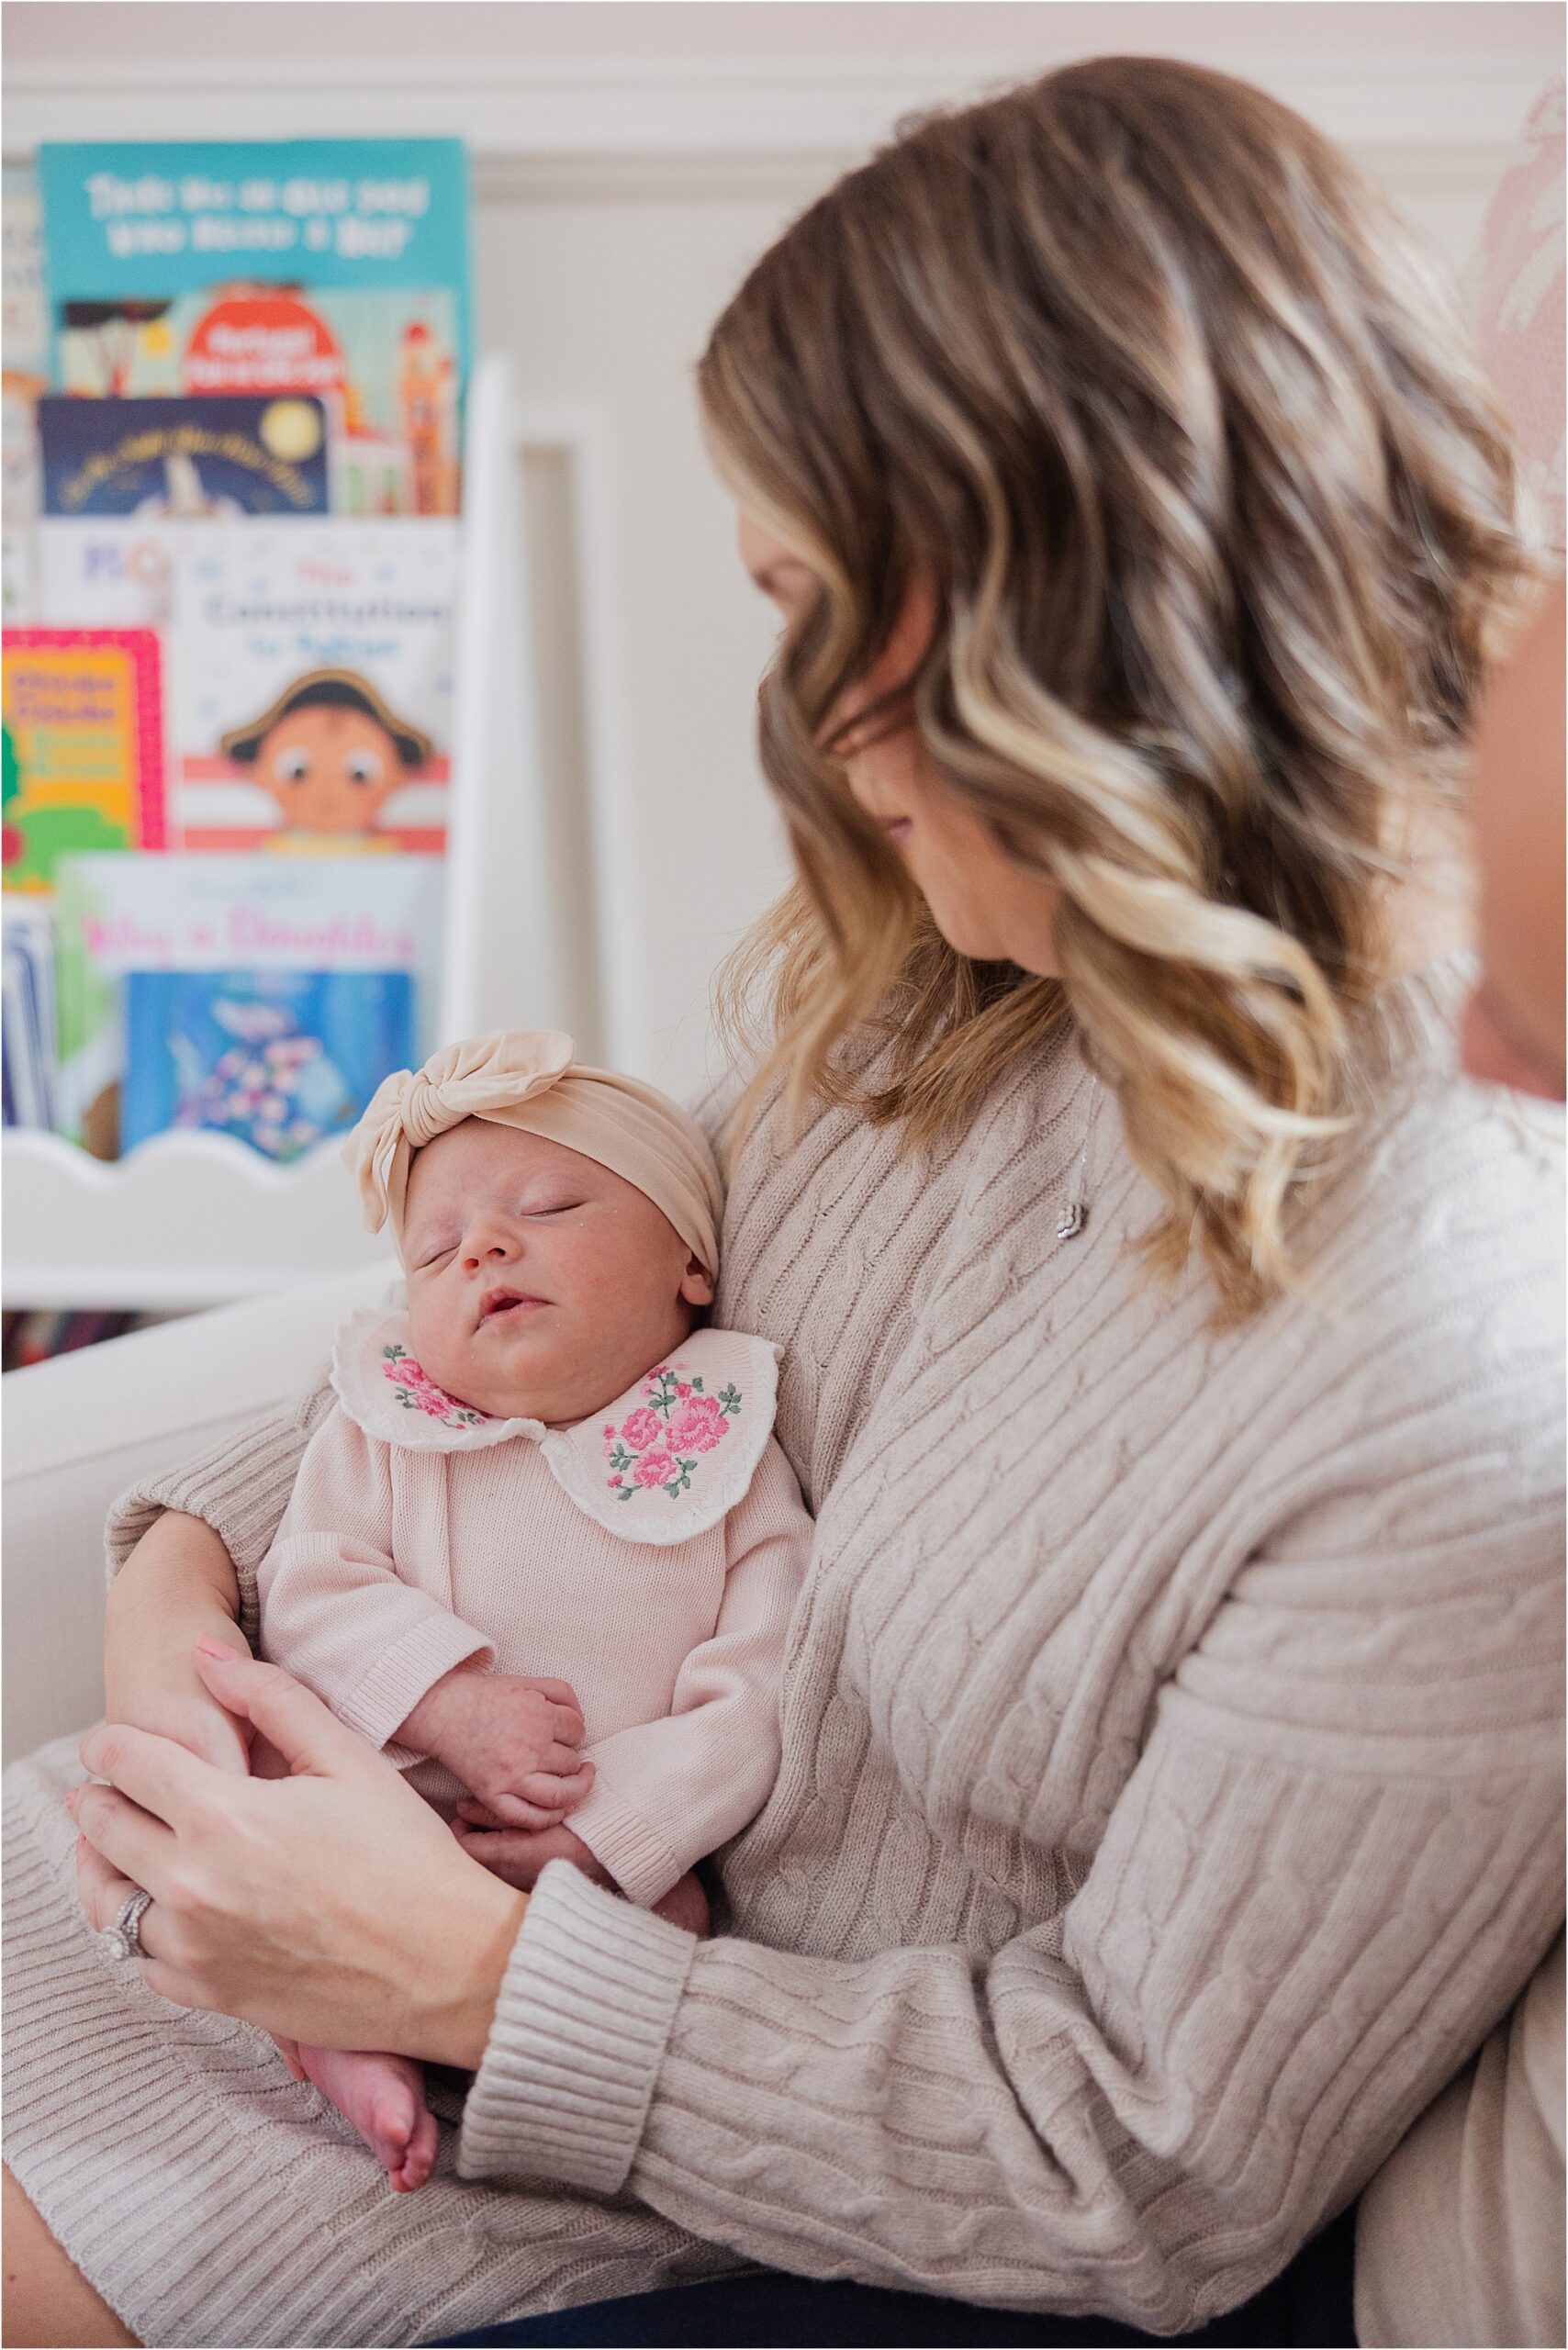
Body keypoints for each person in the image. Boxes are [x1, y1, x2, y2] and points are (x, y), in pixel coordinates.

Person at [4, 58, 1562, 2350]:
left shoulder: (1453, 1372)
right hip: (269, 1869)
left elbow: (1136, 2158)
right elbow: (529, 1340)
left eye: (822, 604)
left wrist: (465, 1971)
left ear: (1077, 608)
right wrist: (177, 1594)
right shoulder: (948, 989)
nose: (809, 720)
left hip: (575, 2106)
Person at [248, 1029, 808, 2191]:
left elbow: (757, 1691)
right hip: (388, 1801)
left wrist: (617, 1829)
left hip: (592, 1847)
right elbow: (309, 1586)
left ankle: (527, 2087)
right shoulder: (387, 1431)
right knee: (273, 1843)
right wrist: (449, 1705)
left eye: (548, 1206)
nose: (484, 1247)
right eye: (436, 1248)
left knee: (677, 1924)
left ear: (689, 1261)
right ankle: (344, 2044)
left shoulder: (728, 1456)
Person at [220, 667, 428, 851]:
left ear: (399, 776)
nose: (327, 794)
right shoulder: (272, 853)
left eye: (359, 775)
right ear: (258, 774)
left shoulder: (387, 856)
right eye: (298, 772)